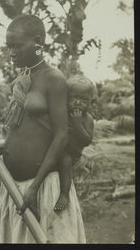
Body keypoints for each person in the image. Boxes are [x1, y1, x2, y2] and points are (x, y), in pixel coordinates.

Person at [0, 14, 86, 243]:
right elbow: (21, 131)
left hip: (44, 188)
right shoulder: (22, 80)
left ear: (37, 42)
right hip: (14, 188)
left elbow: (61, 135)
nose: (12, 52)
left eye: (17, 46)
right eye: (9, 47)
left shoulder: (53, 78)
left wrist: (34, 188)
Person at [54, 75, 94, 211]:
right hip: (56, 148)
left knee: (65, 161)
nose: (78, 103)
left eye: (84, 100)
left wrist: (77, 124)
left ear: (90, 102)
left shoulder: (87, 119)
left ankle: (64, 195)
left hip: (72, 153)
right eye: (73, 98)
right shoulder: (62, 113)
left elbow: (87, 140)